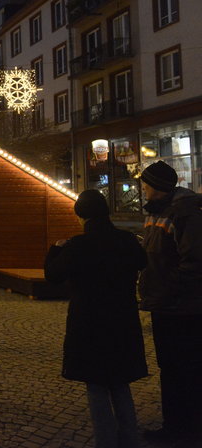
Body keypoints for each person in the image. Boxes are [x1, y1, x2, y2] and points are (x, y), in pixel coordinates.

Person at [45, 189, 147, 448]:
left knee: (97, 386)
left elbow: (53, 275)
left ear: (81, 216)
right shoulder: (127, 241)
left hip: (89, 323)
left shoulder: (78, 245)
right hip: (123, 321)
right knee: (121, 384)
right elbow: (143, 261)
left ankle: (105, 441)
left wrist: (55, 250)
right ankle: (130, 439)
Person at [136, 160, 202, 444]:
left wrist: (169, 289)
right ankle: (173, 424)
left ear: (159, 189)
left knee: (185, 368)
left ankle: (186, 428)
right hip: (164, 305)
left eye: (147, 186)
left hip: (182, 308)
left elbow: (194, 262)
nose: (144, 191)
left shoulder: (185, 215)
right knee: (170, 368)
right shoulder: (156, 213)